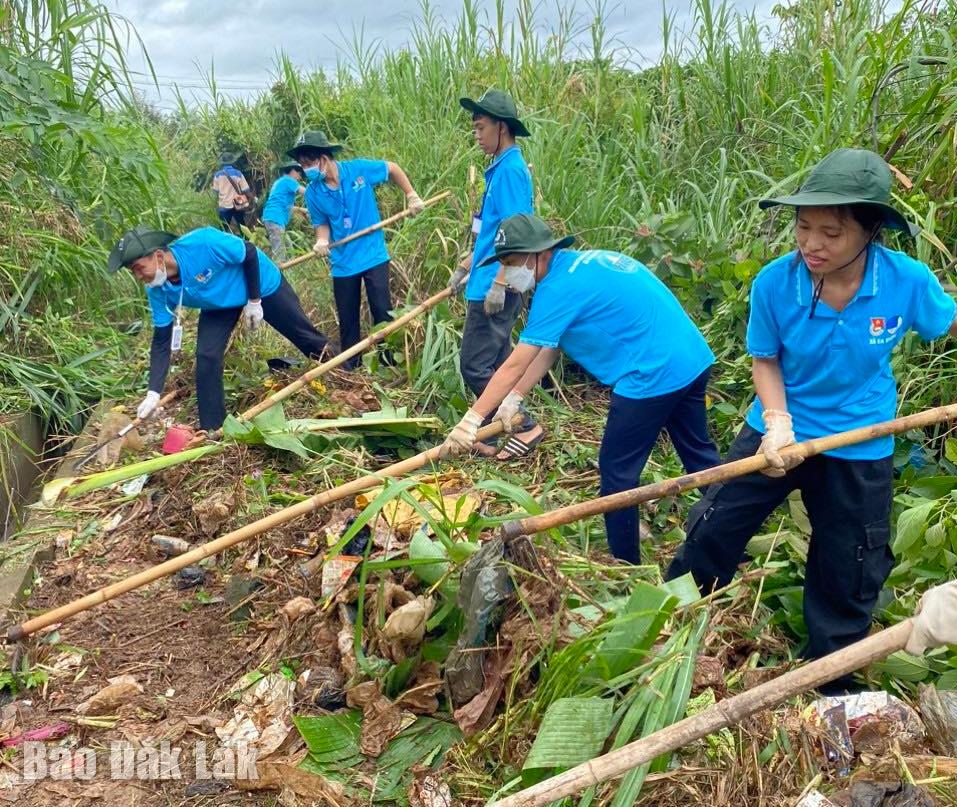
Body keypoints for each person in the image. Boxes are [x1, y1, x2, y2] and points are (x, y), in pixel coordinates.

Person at [667, 148, 957, 691]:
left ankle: (832, 680)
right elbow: (766, 357)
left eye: (831, 232)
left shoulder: (905, 281)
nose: (811, 244)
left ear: (870, 233)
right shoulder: (776, 283)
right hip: (780, 428)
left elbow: (948, 320)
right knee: (715, 525)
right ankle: (664, 634)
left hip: (859, 439)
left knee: (850, 563)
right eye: (803, 227)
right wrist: (777, 423)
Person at [442, 214, 720, 563]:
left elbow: (515, 362)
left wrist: (473, 419)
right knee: (699, 455)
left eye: (511, 263)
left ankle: (624, 564)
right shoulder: (579, 266)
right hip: (690, 359)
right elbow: (550, 348)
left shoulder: (557, 289)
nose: (508, 273)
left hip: (651, 373)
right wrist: (515, 397)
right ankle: (727, 534)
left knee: (617, 474)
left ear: (537, 254)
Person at [108, 225, 330, 431]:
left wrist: (254, 301)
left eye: (139, 268)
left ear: (157, 256)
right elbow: (161, 341)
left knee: (305, 338)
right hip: (219, 303)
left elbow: (249, 252)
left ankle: (345, 373)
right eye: (133, 272)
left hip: (260, 284)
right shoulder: (158, 289)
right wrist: (153, 392)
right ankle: (212, 428)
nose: (138, 277)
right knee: (206, 356)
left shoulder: (203, 243)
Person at [448, 89, 539, 459]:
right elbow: (493, 230)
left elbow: (518, 231)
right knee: (497, 363)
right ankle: (495, 429)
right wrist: (467, 264)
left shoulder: (512, 171)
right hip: (487, 275)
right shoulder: (500, 169)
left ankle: (526, 425)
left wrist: (499, 281)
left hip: (497, 284)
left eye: (481, 127)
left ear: (501, 127)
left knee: (475, 365)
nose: (477, 135)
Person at [288, 131, 425, 369]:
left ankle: (388, 362)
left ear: (323, 157)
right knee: (348, 318)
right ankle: (353, 367)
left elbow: (391, 168)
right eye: (302, 166)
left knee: (382, 311)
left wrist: (411, 195)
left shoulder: (358, 170)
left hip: (373, 254)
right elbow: (321, 225)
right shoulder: (313, 192)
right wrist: (321, 242)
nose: (306, 170)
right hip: (343, 263)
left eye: (308, 164)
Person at [262, 160, 305, 262]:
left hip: (272, 217)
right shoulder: (289, 181)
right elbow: (306, 192)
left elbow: (288, 206)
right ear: (293, 171)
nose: (300, 175)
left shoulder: (280, 182)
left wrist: (306, 210)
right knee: (279, 252)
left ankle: (291, 273)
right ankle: (279, 274)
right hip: (275, 217)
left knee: (288, 248)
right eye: (299, 172)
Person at [212, 151, 254, 233]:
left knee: (223, 230)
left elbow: (216, 192)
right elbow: (246, 190)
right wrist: (254, 199)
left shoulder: (217, 175)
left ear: (222, 163)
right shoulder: (238, 173)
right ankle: (246, 243)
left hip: (224, 206)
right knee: (243, 228)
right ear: (232, 161)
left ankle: (222, 244)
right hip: (238, 204)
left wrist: (217, 204)